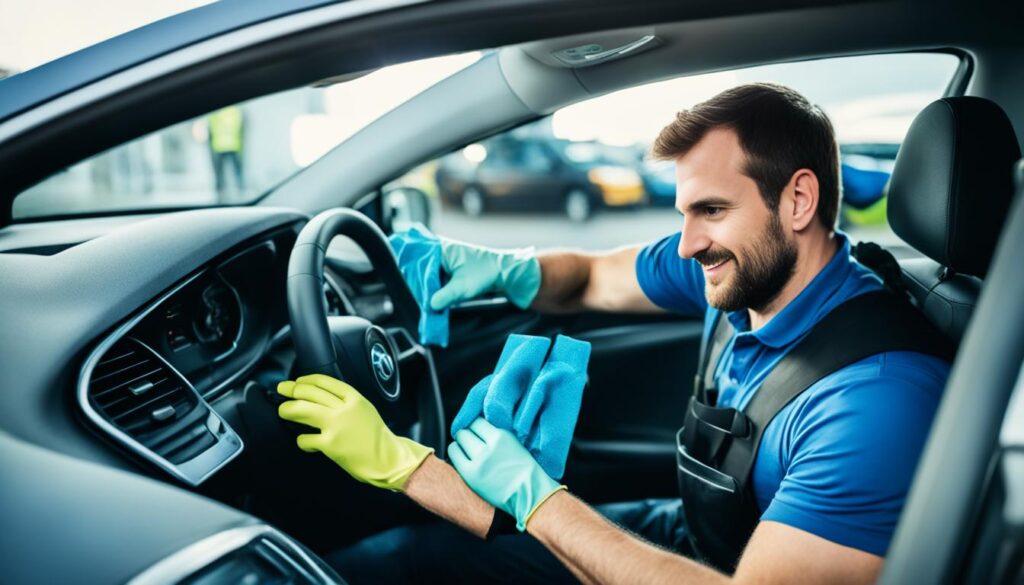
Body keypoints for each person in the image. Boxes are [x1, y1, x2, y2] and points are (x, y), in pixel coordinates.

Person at [276, 83, 950, 584]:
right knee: (410, 560)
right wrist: (505, 270)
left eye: (711, 210)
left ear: (798, 200)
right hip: (701, 539)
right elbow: (592, 277)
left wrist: (526, 496)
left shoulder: (876, 401)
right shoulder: (739, 273)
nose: (686, 245)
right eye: (684, 211)